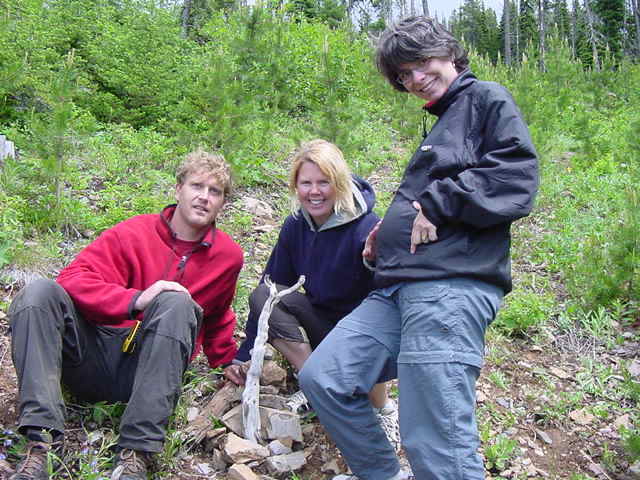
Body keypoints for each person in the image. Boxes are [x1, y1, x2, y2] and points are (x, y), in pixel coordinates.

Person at [299, 17, 539, 480]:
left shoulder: (485, 99)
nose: (414, 78)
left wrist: (436, 201)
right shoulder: (446, 119)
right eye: (403, 74)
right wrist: (387, 230)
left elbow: (516, 179)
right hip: (395, 288)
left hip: (446, 288)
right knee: (324, 378)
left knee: (437, 439)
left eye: (421, 62)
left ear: (449, 53)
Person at [7, 149, 243, 480]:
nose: (204, 197)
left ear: (222, 202)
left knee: (177, 302)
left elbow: (217, 314)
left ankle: (136, 454)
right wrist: (134, 300)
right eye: (197, 186)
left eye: (215, 191)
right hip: (92, 355)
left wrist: (228, 359)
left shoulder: (228, 257)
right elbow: (72, 280)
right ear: (179, 189)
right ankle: (42, 443)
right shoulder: (133, 232)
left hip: (151, 373)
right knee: (37, 294)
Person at [224, 139, 400, 447]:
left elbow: (388, 301)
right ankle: (316, 383)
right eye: (306, 183)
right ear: (295, 186)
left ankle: (383, 408)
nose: (314, 192)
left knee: (379, 331)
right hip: (322, 323)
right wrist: (245, 352)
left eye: (324, 182)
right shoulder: (295, 225)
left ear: (339, 183)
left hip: (362, 332)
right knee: (265, 296)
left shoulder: (367, 227)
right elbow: (271, 283)